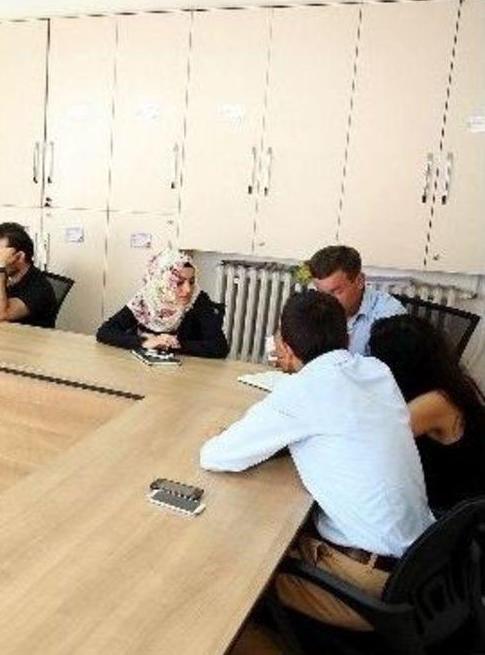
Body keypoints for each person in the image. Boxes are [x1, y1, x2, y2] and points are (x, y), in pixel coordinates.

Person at [201, 290, 433, 631]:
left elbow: (216, 456)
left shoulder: (304, 390)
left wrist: (224, 435)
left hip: (365, 585)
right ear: (347, 335)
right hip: (420, 564)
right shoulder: (376, 370)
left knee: (230, 573)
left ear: (285, 346)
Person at [369, 315, 485, 512]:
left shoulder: (435, 402)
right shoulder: (447, 381)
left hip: (453, 510)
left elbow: (375, 440)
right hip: (448, 494)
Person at [96, 248, 229, 358]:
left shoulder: (198, 299)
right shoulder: (146, 299)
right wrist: (146, 342)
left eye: (191, 281)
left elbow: (219, 347)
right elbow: (105, 332)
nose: (188, 289)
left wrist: (171, 344)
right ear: (160, 283)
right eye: (179, 282)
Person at [307, 245, 404, 356]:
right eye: (321, 293)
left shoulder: (390, 317)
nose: (326, 301)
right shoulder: (319, 306)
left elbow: (388, 366)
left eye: (335, 292)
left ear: (360, 281)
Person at [0, 222, 57, 328]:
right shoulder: (9, 279)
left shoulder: (39, 288)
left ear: (20, 257)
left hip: (28, 338)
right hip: (3, 334)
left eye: (0, 255)